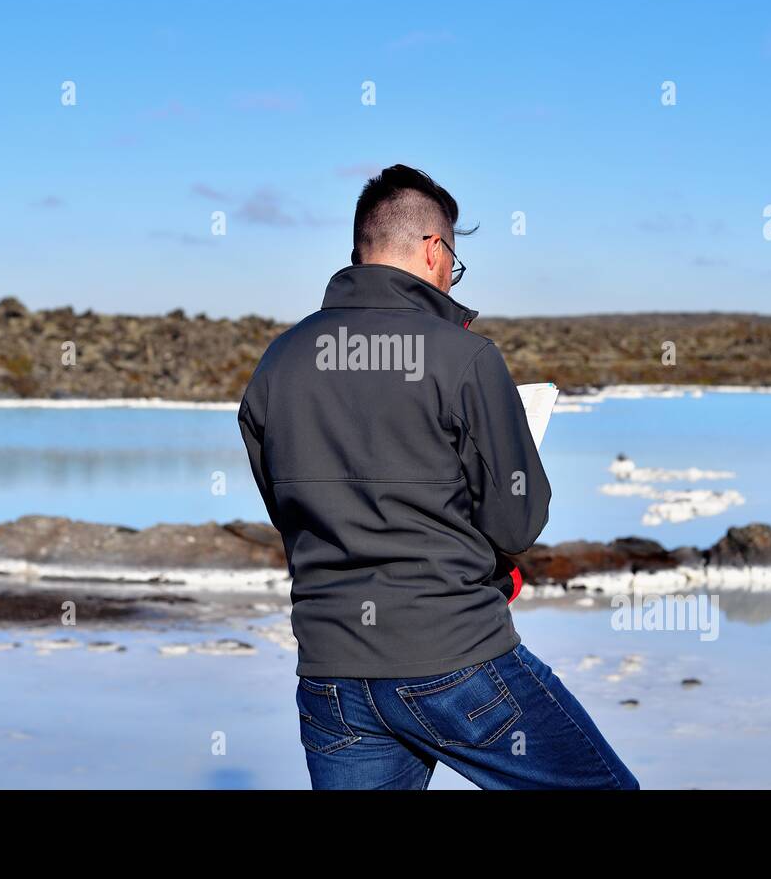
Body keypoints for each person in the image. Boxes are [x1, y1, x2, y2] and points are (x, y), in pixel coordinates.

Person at [238, 164, 639, 790]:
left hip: (331, 674)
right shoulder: (465, 357)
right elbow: (518, 522)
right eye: (453, 259)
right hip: (453, 658)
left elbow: (292, 515)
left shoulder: (278, 364)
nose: (452, 275)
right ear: (433, 250)